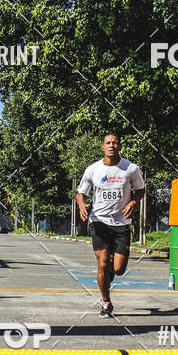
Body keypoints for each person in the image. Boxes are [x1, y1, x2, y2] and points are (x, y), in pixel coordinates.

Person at [76, 133, 145, 316]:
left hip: (122, 223)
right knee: (102, 264)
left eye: (115, 143)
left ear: (119, 146)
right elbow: (80, 193)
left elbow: (141, 189)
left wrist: (133, 202)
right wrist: (82, 205)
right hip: (99, 221)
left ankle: (112, 271)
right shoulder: (93, 169)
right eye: (108, 143)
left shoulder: (131, 169)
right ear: (102, 147)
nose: (111, 145)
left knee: (119, 269)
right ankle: (106, 303)